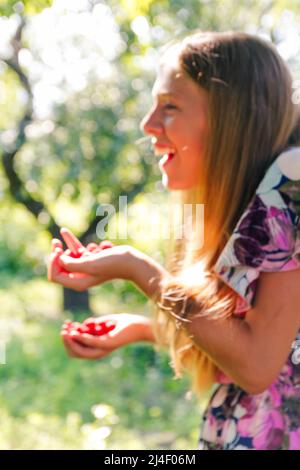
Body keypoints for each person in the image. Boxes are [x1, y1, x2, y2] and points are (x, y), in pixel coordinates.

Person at [48, 30, 300, 450]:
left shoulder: (292, 179)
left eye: (170, 106)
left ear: (231, 117)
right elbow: (271, 347)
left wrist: (138, 270)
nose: (147, 125)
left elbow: (258, 365)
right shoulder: (243, 201)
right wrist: (142, 330)